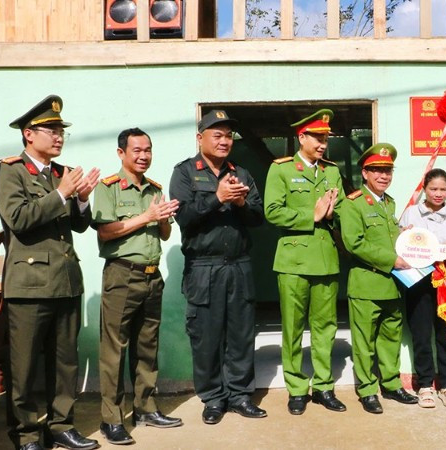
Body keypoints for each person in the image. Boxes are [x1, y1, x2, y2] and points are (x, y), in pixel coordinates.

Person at [0, 95, 100, 450]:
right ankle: (26, 435)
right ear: (28, 134)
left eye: (60, 130)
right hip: (30, 285)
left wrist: (80, 198)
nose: (58, 136)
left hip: (66, 281)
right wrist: (62, 194)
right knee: (23, 367)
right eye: (50, 129)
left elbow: (78, 225)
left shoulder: (60, 174)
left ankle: (61, 426)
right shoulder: (8, 171)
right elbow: (18, 219)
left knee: (65, 362)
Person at [169, 110, 266, 425]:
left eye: (229, 136)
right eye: (217, 135)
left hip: (238, 265)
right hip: (204, 267)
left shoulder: (242, 173)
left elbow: (258, 218)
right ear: (200, 138)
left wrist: (240, 203)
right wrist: (217, 198)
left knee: (241, 334)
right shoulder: (185, 172)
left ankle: (239, 395)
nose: (225, 141)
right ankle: (213, 398)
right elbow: (183, 217)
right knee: (206, 337)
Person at [91, 128, 182, 445]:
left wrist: (163, 218)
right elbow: (105, 232)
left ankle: (145, 408)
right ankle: (111, 420)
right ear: (121, 153)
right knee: (114, 352)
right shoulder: (108, 188)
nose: (144, 156)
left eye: (148, 150)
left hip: (152, 276)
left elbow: (165, 235)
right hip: (122, 275)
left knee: (147, 347)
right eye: (137, 150)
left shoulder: (155, 188)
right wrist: (147, 216)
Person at [264, 109, 346, 415]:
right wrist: (310, 216)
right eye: (318, 138)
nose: (323, 144)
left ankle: (324, 386)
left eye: (326, 139)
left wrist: (332, 215)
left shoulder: (332, 171)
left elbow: (340, 211)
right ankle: (297, 388)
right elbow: (272, 211)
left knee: (325, 327)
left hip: (325, 259)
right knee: (293, 327)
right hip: (293, 261)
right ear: (302, 137)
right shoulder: (282, 169)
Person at [341, 143, 418, 414]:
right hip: (366, 285)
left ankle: (392, 384)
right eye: (377, 170)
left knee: (390, 338)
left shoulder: (389, 203)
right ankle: (367, 390)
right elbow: (354, 243)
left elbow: (386, 238)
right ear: (365, 173)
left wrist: (404, 237)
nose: (383, 176)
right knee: (364, 343)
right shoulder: (353, 204)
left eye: (388, 171)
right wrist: (392, 260)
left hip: (392, 285)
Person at [399, 168, 446, 408]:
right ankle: (425, 386)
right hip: (417, 278)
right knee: (420, 333)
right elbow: (399, 241)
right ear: (424, 189)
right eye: (433, 189)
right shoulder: (411, 213)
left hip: (444, 277)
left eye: (443, 189)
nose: (438, 193)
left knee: (445, 333)